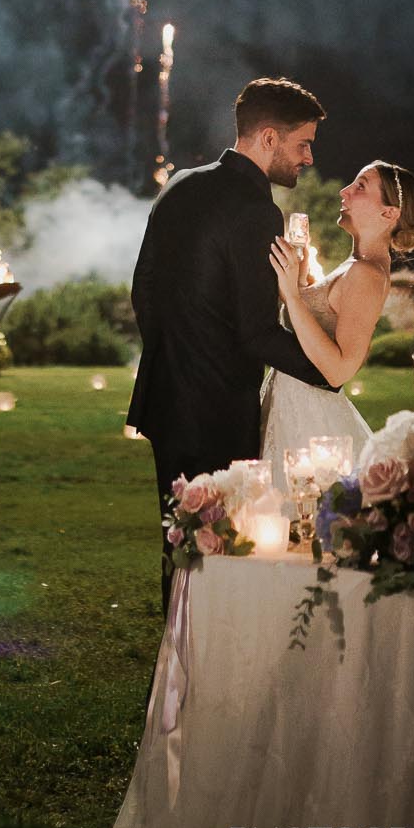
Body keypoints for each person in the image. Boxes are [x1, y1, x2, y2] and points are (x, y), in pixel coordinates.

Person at [127, 76, 334, 614]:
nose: (308, 157)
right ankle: (203, 672)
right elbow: (256, 332)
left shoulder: (180, 185)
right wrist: (326, 369)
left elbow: (142, 290)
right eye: (303, 143)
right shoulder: (255, 210)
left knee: (180, 542)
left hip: (167, 397)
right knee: (219, 550)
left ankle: (175, 665)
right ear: (268, 138)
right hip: (217, 409)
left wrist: (178, 354)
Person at [260, 160, 414, 479]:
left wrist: (294, 297)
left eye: (361, 186)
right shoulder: (355, 264)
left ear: (389, 213)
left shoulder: (366, 274)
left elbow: (340, 369)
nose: (344, 191)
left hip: (307, 421)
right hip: (290, 403)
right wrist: (300, 284)